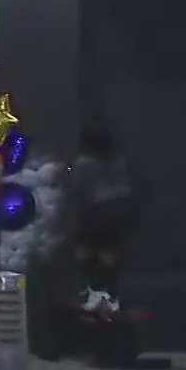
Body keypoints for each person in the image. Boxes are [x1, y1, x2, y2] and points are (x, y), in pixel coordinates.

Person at [68, 128, 137, 312]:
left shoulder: (84, 163)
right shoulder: (117, 161)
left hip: (95, 212)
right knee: (108, 257)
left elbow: (76, 188)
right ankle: (112, 297)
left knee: (86, 254)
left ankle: (92, 296)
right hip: (115, 212)